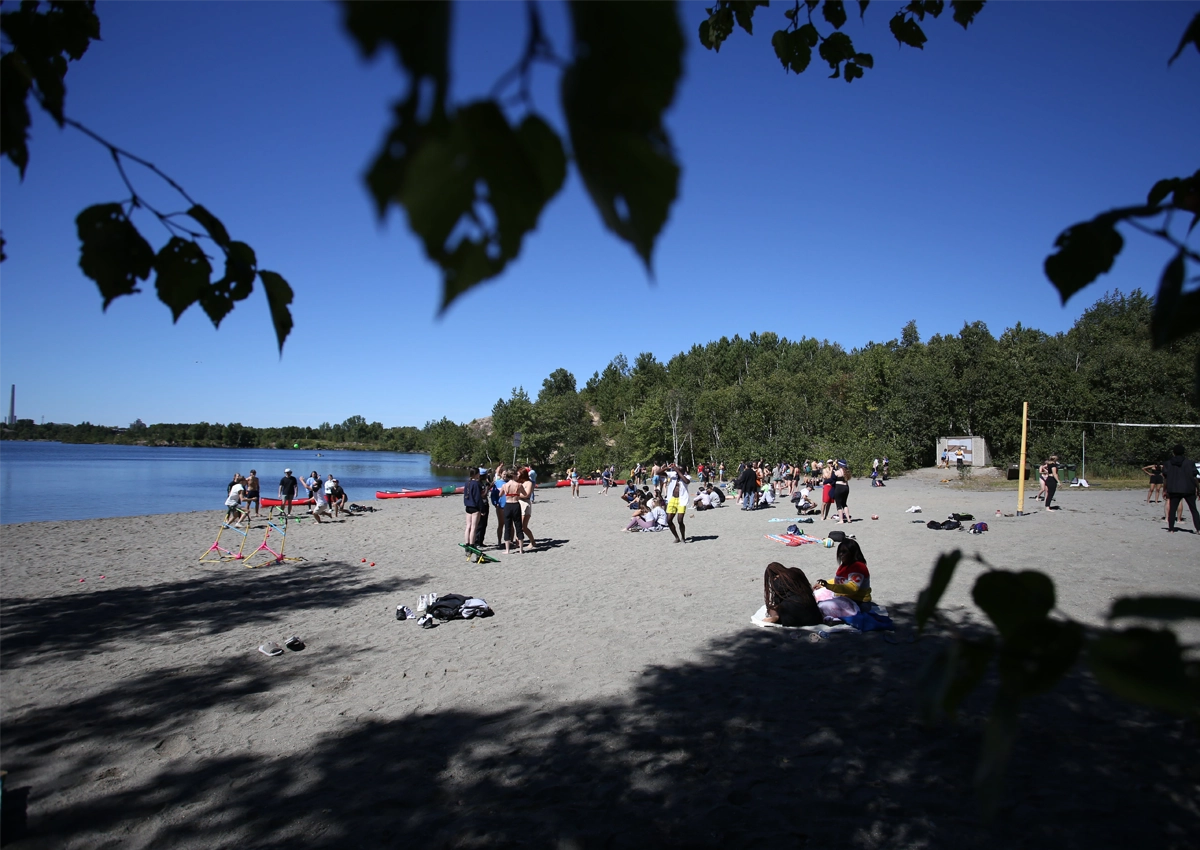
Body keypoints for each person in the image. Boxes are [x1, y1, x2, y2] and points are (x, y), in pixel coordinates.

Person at [761, 562, 822, 626]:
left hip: (792, 619)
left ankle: (775, 617)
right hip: (813, 616)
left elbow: (777, 602)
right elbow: (806, 588)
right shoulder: (796, 571)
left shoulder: (776, 583)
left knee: (772, 607)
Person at [1164, 444, 1200, 533]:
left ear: (1173, 452)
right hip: (1188, 488)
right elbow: (1195, 477)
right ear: (1184, 452)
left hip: (1174, 488)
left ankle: (1171, 528)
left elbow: (1165, 477)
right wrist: (1198, 489)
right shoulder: (1190, 463)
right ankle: (1198, 529)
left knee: (1172, 509)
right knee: (1193, 509)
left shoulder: (1168, 463)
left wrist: (1165, 489)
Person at [500, 469, 526, 554]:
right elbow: (525, 494)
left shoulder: (505, 485)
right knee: (518, 526)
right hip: (515, 504)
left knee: (507, 527)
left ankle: (507, 550)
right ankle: (521, 549)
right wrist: (517, 494)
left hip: (508, 505)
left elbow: (500, 495)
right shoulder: (519, 485)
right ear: (514, 475)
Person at [664, 464, 690, 543]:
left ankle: (683, 537)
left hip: (681, 500)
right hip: (672, 499)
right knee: (669, 520)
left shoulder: (687, 476)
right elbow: (658, 473)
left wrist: (678, 471)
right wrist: (666, 467)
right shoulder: (673, 475)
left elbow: (686, 481)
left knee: (680, 520)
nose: (678, 470)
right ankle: (676, 537)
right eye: (678, 469)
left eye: (680, 469)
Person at [518, 467, 536, 548]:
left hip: (525, 504)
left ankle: (532, 541)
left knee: (523, 526)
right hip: (518, 504)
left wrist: (516, 495)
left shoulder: (529, 483)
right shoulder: (519, 482)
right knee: (518, 525)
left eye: (518, 474)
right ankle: (517, 541)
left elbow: (527, 495)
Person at [463, 467, 482, 547]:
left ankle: (467, 542)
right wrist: (482, 508)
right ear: (476, 474)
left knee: (468, 526)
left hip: (468, 505)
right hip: (474, 506)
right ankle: (472, 543)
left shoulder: (467, 483)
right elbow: (478, 497)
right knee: (474, 527)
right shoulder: (476, 484)